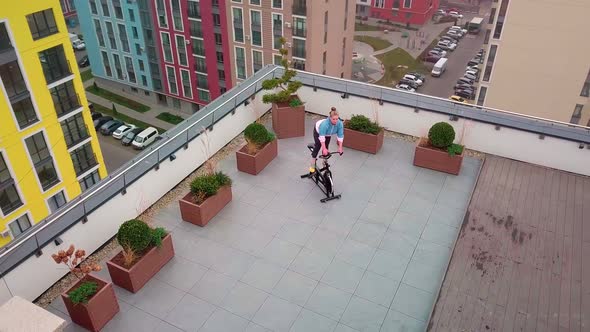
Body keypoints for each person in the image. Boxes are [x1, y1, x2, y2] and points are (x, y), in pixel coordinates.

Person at [310, 107, 344, 173]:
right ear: (330, 118)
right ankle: (312, 163)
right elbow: (322, 137)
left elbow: (340, 136)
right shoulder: (324, 124)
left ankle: (324, 162)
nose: (335, 121)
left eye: (337, 119)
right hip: (319, 132)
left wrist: (340, 147)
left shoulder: (340, 124)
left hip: (328, 134)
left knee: (326, 147)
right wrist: (324, 148)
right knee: (318, 146)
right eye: (333, 119)